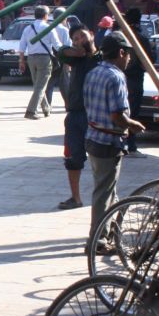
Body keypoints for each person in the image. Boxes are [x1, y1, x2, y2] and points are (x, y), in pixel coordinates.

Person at [83, 33, 145, 251]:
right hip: (107, 140)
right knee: (103, 192)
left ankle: (110, 232)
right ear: (121, 53)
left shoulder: (94, 72)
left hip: (93, 138)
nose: (128, 59)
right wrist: (133, 125)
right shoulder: (116, 77)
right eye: (127, 54)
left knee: (109, 189)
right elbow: (117, 115)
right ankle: (98, 240)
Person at [57, 25, 100, 210]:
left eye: (82, 36)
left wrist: (88, 52)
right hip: (75, 114)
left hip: (95, 115)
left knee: (100, 158)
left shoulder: (101, 58)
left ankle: (103, 198)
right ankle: (76, 198)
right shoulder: (75, 59)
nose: (79, 40)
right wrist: (75, 51)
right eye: (75, 38)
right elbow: (61, 52)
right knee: (73, 158)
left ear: (91, 34)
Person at [17, 5, 62, 120]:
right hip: (44, 59)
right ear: (46, 16)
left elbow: (22, 46)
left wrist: (21, 61)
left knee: (38, 85)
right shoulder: (49, 28)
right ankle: (31, 111)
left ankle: (46, 108)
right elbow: (57, 46)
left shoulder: (28, 28)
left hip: (31, 59)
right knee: (41, 86)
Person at [123, 8, 149, 158]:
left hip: (121, 77)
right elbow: (150, 59)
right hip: (135, 79)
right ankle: (131, 145)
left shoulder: (120, 35)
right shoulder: (141, 38)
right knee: (132, 113)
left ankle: (121, 143)